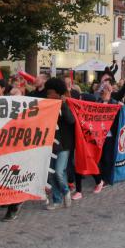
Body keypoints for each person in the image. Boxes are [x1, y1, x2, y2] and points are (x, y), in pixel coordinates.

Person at [45, 78, 75, 211]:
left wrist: (63, 105)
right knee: (51, 174)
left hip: (64, 144)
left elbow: (71, 120)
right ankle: (56, 200)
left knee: (58, 172)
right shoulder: (46, 104)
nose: (48, 95)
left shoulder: (66, 104)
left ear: (58, 93)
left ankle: (66, 191)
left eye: (51, 92)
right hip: (50, 145)